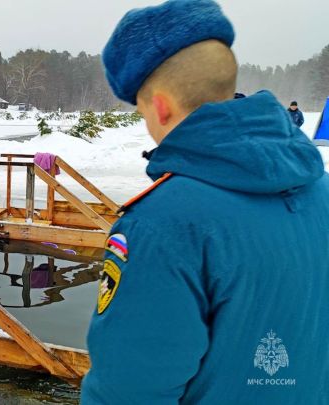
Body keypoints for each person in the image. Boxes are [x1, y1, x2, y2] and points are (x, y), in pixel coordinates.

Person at [81, 1, 329, 404]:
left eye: (142, 111)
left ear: (160, 105)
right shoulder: (320, 188)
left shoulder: (161, 223)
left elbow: (127, 391)